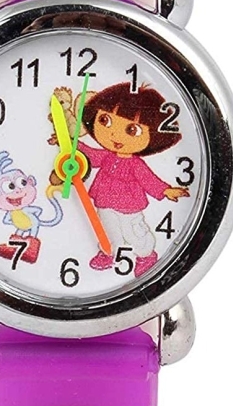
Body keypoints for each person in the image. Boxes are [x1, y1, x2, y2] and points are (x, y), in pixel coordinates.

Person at [77, 82, 188, 277]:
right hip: (104, 201)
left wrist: (165, 190)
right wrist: (72, 144)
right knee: (108, 228)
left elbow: (148, 180)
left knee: (133, 232)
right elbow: (91, 156)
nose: (114, 134)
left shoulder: (135, 164)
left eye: (132, 130)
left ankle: (146, 254)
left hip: (129, 206)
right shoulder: (107, 156)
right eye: (105, 120)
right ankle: (108, 252)